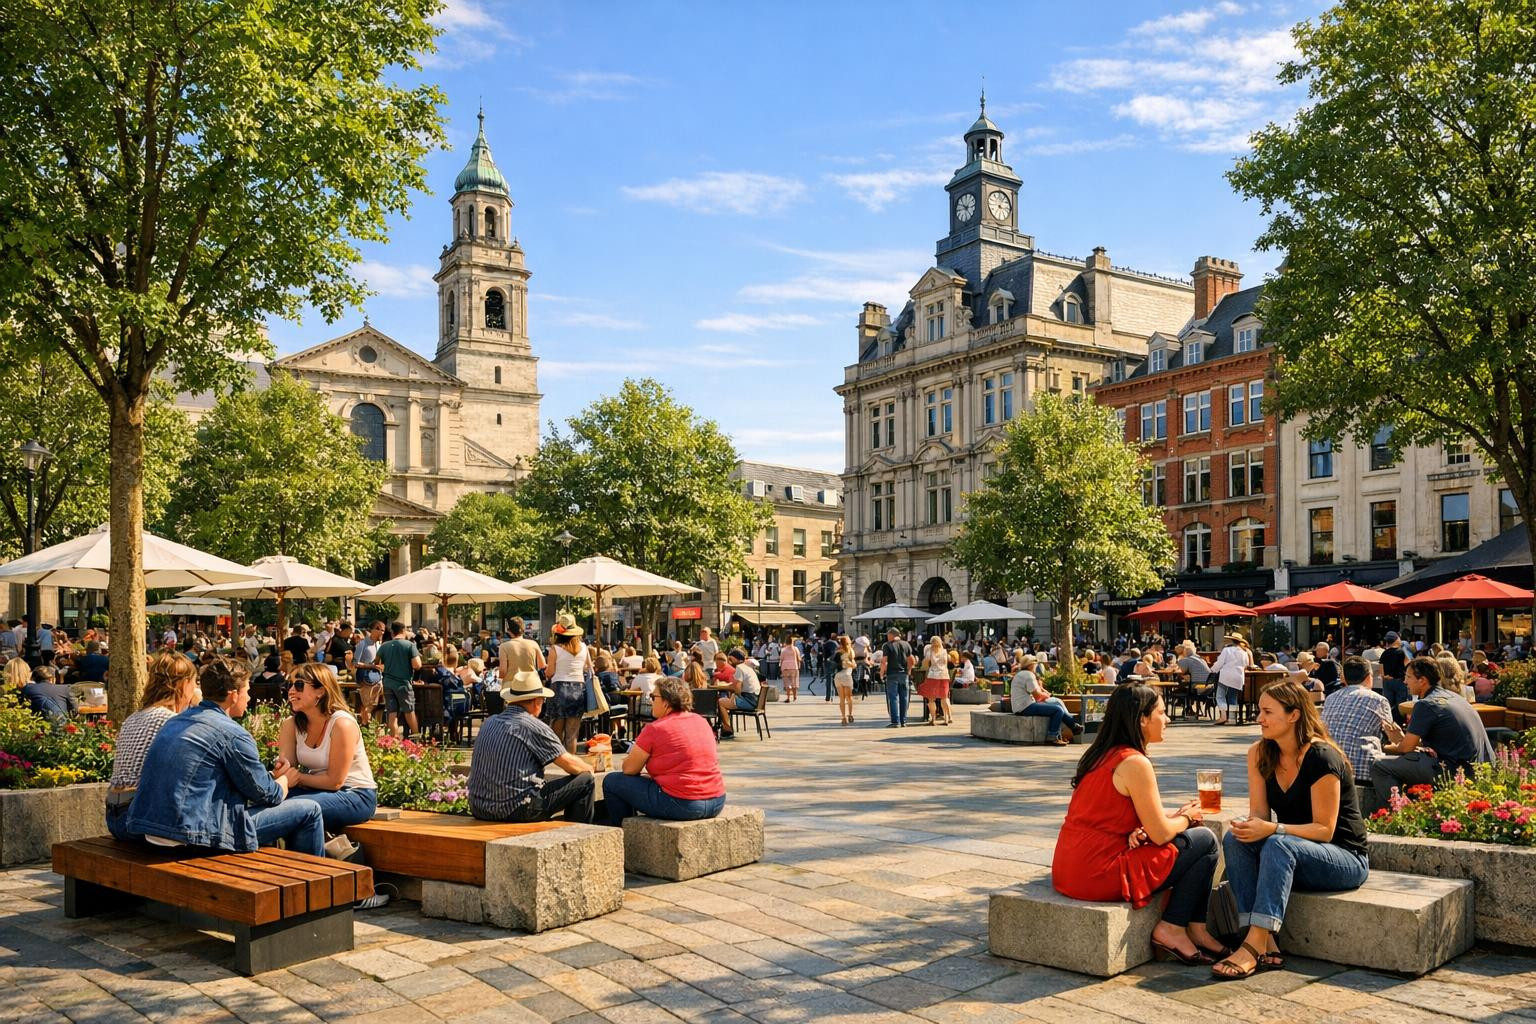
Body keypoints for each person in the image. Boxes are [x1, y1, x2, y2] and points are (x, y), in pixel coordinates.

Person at [1052, 684, 1225, 964]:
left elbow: (1112, 816)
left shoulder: (1101, 754)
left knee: (1190, 835)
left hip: (1069, 868)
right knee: (1205, 840)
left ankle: (1194, 928)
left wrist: (1163, 822)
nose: (1167, 719)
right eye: (1162, 712)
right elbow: (1160, 834)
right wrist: (1187, 817)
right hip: (1099, 874)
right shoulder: (1135, 763)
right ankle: (1176, 927)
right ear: (1142, 719)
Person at [1216, 679, 1370, 979]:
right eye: (1260, 711)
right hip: (1293, 852)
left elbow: (1325, 830)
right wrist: (1250, 827)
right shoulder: (1260, 754)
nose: (1259, 718)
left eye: (1267, 712)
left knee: (1277, 842)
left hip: (1343, 857)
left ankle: (1252, 945)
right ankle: (1263, 938)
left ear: (1294, 715)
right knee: (1235, 840)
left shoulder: (1322, 757)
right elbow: (1260, 816)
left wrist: (1273, 828)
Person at [125, 658, 324, 857]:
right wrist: (285, 780)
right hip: (192, 835)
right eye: (247, 691)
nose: (249, 697)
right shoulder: (232, 733)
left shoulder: (175, 721)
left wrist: (271, 776)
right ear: (234, 695)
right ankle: (314, 883)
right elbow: (268, 795)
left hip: (150, 831)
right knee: (310, 809)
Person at [1365, 656, 1495, 814]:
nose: (1405, 682)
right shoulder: (1454, 697)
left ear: (1422, 680)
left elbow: (1406, 748)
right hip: (1480, 768)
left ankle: (1392, 817)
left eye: (1408, 677)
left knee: (1380, 766)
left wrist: (1385, 745)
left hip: (1455, 771)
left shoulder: (1426, 704)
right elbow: (1427, 743)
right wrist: (1401, 739)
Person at [466, 669, 594, 823]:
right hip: (515, 809)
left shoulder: (490, 722)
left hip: (479, 808)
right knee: (586, 780)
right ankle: (578, 835)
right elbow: (570, 765)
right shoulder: (533, 726)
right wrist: (589, 768)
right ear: (537, 701)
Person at [606, 677, 726, 826]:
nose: (650, 701)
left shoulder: (655, 728)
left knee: (612, 782)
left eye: (653, 697)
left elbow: (629, 769)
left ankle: (623, 836)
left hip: (684, 804)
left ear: (666, 701)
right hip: (717, 800)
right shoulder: (700, 720)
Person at [106, 653, 202, 840]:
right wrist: (200, 707)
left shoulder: (134, 718)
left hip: (114, 817)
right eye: (195, 682)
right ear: (183, 684)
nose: (196, 688)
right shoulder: (171, 722)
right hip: (140, 820)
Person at [276, 662, 378, 831]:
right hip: (315, 791)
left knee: (297, 808)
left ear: (320, 691)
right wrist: (282, 772)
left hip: (355, 795)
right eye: (289, 685)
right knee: (270, 802)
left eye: (299, 685)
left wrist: (298, 778)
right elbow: (287, 769)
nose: (291, 691)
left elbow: (335, 781)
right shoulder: (291, 725)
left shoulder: (341, 724)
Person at [1320, 656, 1394, 781]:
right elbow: (1390, 737)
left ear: (1345, 678)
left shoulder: (1330, 698)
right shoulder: (1378, 700)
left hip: (1328, 770)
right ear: (1369, 676)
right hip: (1363, 772)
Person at [1002, 656, 1079, 745]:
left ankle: (1073, 727)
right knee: (1058, 709)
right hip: (1026, 707)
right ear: (1031, 665)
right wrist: (1047, 695)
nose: (1036, 666)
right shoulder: (1029, 675)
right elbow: (1038, 696)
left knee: (1056, 706)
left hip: (1020, 707)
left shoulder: (1019, 674)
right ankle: (1054, 736)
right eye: (1035, 664)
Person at [544, 613, 591, 754]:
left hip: (559, 688)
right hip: (578, 689)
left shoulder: (555, 649)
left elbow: (549, 673)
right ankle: (572, 762)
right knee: (572, 733)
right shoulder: (583, 647)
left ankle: (557, 760)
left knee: (556, 731)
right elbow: (588, 667)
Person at [378, 622, 422, 738]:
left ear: (392, 632)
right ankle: (416, 737)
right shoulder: (409, 645)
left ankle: (393, 742)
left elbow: (377, 663)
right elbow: (417, 665)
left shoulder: (384, 646)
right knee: (409, 711)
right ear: (403, 631)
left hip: (387, 683)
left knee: (392, 714)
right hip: (403, 684)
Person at [716, 648, 761, 739]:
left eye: (731, 659)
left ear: (736, 659)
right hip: (754, 699)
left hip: (749, 701)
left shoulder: (740, 668)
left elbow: (737, 689)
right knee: (725, 700)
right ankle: (726, 728)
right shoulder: (747, 667)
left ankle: (728, 730)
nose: (729, 661)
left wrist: (724, 687)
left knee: (720, 702)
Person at [1211, 632, 1251, 726]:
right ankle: (1232, 718)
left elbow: (1220, 663)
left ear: (1231, 640)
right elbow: (1246, 664)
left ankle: (1223, 716)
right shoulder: (1244, 652)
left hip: (1226, 675)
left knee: (1220, 695)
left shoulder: (1226, 650)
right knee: (1232, 697)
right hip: (1238, 676)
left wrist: (1212, 670)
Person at [879, 628, 914, 728]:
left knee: (893, 698)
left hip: (892, 674)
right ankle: (903, 721)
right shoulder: (906, 644)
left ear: (891, 635)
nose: (887, 637)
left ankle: (895, 721)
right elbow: (911, 660)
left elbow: (884, 661)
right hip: (904, 675)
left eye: (888, 635)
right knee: (904, 697)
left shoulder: (887, 645)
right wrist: (909, 670)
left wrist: (881, 673)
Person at [352, 621, 385, 726]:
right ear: (372, 629)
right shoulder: (363, 643)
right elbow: (355, 663)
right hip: (366, 677)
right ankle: (365, 727)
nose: (382, 632)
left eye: (383, 629)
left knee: (377, 705)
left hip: (378, 677)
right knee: (367, 705)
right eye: (379, 628)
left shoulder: (379, 644)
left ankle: (371, 727)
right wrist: (371, 666)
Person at [918, 636, 952, 726]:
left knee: (931, 699)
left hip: (932, 676)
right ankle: (946, 718)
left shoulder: (930, 652)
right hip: (944, 675)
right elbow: (948, 661)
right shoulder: (945, 652)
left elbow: (925, 663)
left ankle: (933, 719)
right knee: (944, 697)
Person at [1378, 631, 1411, 724]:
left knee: (1387, 704)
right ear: (1396, 639)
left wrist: (1385, 677)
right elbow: (1408, 664)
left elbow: (1381, 669)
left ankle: (1388, 723)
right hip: (1399, 681)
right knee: (1400, 704)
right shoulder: (1401, 652)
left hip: (1387, 681)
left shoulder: (1384, 653)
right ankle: (1399, 723)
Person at [778, 635, 802, 702]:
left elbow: (781, 659)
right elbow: (799, 658)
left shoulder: (783, 650)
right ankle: (795, 697)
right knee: (794, 682)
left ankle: (788, 697)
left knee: (787, 683)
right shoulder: (795, 649)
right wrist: (799, 665)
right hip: (794, 666)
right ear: (792, 642)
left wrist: (780, 667)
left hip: (785, 667)